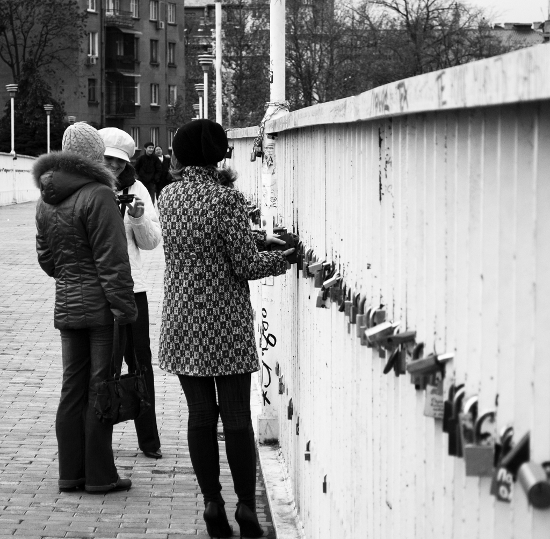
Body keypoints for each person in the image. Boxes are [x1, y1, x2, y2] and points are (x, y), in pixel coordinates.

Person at [157, 119, 294, 539]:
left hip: (182, 318)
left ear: (181, 155)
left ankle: (211, 503)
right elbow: (244, 264)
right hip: (225, 321)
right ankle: (247, 508)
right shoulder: (225, 200)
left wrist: (255, 240)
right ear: (218, 155)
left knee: (200, 415)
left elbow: (204, 243)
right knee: (235, 415)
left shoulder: (167, 196)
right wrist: (284, 257)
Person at [33, 122, 138, 494]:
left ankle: (71, 473)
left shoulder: (47, 197)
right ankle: (100, 475)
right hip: (102, 310)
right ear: (95, 155)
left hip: (67, 305)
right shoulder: (99, 195)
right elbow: (113, 260)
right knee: (101, 387)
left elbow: (48, 262)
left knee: (71, 389)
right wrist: (125, 310)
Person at [99, 127, 163, 460]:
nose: (112, 167)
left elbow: (152, 242)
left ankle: (149, 440)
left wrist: (137, 217)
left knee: (141, 364)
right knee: (104, 367)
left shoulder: (136, 188)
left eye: (119, 162)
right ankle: (100, 441)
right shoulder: (89, 189)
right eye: (107, 159)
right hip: (99, 291)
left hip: (133, 287)